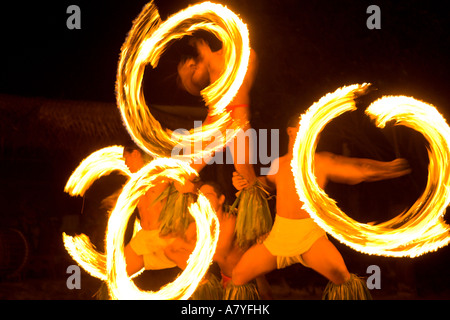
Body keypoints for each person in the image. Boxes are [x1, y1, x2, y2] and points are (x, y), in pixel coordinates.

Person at [229, 114, 412, 299]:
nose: (313, 135)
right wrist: (244, 183)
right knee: (238, 276)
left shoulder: (320, 161)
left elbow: (359, 168)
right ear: (291, 132)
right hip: (278, 237)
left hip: (310, 238)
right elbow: (265, 184)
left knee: (343, 280)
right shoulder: (279, 164)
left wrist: (387, 169)